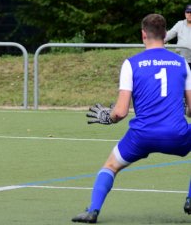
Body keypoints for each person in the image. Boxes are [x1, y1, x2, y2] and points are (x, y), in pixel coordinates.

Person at [72, 14, 191, 223]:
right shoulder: (182, 63)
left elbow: (120, 112)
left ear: (143, 34)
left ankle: (92, 210)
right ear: (165, 35)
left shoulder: (131, 64)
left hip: (142, 136)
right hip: (177, 134)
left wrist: (107, 117)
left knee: (110, 166)